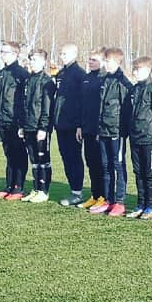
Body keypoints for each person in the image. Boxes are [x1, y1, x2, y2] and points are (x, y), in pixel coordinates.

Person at [89, 47, 133, 216]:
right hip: (103, 131)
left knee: (118, 166)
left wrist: (122, 131)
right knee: (105, 166)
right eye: (105, 61)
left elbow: (126, 110)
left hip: (116, 132)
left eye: (107, 61)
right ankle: (108, 200)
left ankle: (120, 202)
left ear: (117, 62)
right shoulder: (105, 80)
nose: (105, 64)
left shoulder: (123, 83)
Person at [0, 42, 31, 200]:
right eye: (2, 51)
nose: (2, 54)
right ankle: (9, 185)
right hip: (3, 120)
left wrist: (22, 122)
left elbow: (24, 100)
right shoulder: (2, 72)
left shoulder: (21, 73)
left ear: (15, 54)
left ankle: (18, 187)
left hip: (16, 121)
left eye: (6, 52)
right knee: (9, 154)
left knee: (19, 154)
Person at [127, 56, 152, 219]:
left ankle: (151, 206)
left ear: (148, 70)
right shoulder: (134, 90)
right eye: (134, 69)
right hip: (134, 138)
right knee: (138, 172)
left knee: (150, 173)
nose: (135, 72)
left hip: (149, 139)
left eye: (138, 69)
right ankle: (141, 204)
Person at [52, 43, 87, 206]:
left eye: (65, 54)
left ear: (74, 54)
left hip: (73, 125)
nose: (62, 56)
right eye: (61, 54)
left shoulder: (79, 74)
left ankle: (77, 192)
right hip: (61, 123)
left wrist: (80, 124)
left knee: (74, 157)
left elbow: (82, 102)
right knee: (65, 157)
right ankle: (73, 188)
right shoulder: (61, 73)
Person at [20, 48, 55, 203]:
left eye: (35, 60)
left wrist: (43, 128)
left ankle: (43, 190)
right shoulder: (28, 80)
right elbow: (24, 105)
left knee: (43, 159)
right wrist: (22, 125)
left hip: (40, 127)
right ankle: (35, 188)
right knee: (33, 160)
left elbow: (47, 107)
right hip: (28, 126)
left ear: (43, 62)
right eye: (31, 60)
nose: (32, 63)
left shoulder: (46, 81)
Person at [76, 49, 107, 209]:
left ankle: (104, 196)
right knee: (91, 163)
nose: (90, 62)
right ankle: (95, 195)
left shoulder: (105, 79)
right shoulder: (86, 78)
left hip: (100, 130)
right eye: (89, 59)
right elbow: (81, 104)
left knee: (101, 164)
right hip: (86, 128)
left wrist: (101, 128)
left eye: (94, 59)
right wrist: (80, 126)